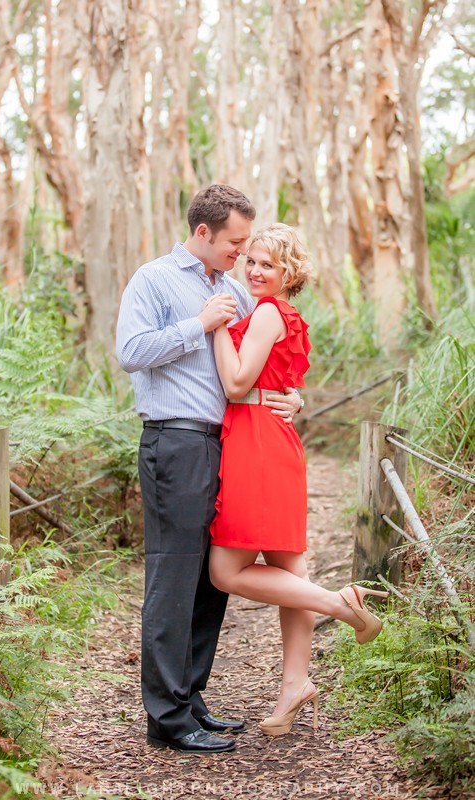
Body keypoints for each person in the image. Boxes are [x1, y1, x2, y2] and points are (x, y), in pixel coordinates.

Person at [116, 185, 304, 754]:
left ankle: (190, 698)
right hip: (174, 441)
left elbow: (269, 357)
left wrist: (295, 398)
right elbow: (131, 351)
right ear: (203, 234)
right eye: (235, 243)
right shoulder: (154, 280)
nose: (242, 255)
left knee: (208, 582)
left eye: (248, 246)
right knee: (173, 580)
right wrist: (197, 324)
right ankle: (167, 718)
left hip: (227, 446)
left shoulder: (234, 289)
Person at [208, 223, 389, 736]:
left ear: (290, 273)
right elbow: (280, 383)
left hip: (257, 446)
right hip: (270, 437)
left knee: (225, 570)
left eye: (268, 263)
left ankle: (340, 605)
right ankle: (295, 685)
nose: (256, 270)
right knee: (291, 571)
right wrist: (293, 398)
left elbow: (237, 381)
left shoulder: (265, 312)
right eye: (253, 261)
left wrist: (217, 326)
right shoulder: (283, 314)